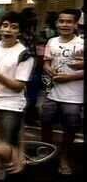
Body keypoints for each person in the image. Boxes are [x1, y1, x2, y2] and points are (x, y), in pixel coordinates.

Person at [0, 12, 34, 178]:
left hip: (10, 106)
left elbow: (18, 86)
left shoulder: (24, 54)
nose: (8, 30)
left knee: (6, 145)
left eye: (13, 27)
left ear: (19, 32)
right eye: (5, 25)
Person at [41, 9, 84, 175]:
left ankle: (64, 156)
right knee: (45, 121)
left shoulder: (81, 44)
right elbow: (46, 63)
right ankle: (45, 150)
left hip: (74, 96)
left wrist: (70, 77)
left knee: (70, 127)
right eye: (61, 21)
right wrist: (49, 70)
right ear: (57, 23)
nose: (65, 25)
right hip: (52, 92)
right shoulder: (51, 41)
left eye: (69, 22)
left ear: (75, 24)